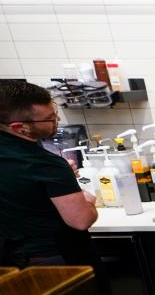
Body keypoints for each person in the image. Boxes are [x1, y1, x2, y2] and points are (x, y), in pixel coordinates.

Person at [0, 80, 99, 268]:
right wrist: (88, 201)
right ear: (19, 127)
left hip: (9, 259)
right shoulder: (44, 164)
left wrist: (59, 181)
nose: (57, 121)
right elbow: (81, 220)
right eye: (49, 119)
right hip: (53, 260)